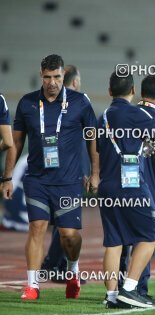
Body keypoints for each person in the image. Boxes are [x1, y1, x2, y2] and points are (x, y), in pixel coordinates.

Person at [2, 54, 99, 300]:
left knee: (69, 235)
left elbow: (92, 140)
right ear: (41, 75)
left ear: (63, 76)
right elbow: (16, 141)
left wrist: (95, 173)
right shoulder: (27, 103)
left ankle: (72, 271)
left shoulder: (80, 103)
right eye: (47, 77)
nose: (52, 82)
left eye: (56, 77)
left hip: (68, 181)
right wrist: (7, 177)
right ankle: (33, 285)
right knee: (36, 228)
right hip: (37, 179)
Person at [97, 72, 155, 309]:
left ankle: (111, 296)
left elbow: (98, 149)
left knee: (114, 241)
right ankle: (129, 289)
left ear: (110, 91)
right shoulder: (136, 113)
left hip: (107, 185)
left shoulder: (103, 116)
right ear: (132, 91)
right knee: (150, 236)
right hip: (131, 185)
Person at [115, 75, 155, 302]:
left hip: (121, 184)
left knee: (121, 239)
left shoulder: (126, 114)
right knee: (147, 237)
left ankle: (115, 289)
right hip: (148, 187)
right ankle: (137, 290)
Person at [41, 64, 87, 283]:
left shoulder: (48, 102)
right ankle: (56, 265)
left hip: (48, 172)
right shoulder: (80, 102)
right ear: (75, 82)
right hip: (68, 174)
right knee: (65, 223)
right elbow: (88, 142)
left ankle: (53, 264)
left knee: (57, 222)